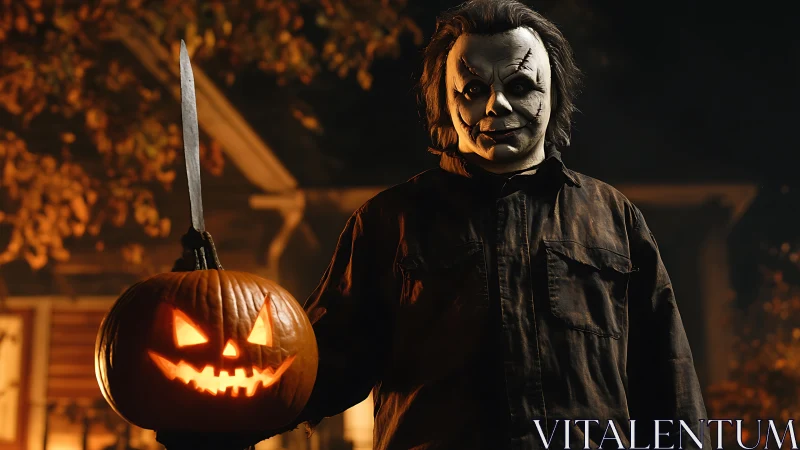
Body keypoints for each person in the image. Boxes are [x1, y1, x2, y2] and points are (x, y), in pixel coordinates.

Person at [158, 1, 711, 449]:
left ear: (555, 93)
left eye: (520, 86)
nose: (496, 105)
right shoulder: (389, 222)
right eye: (472, 89)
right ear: (444, 104)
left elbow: (669, 378)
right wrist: (211, 413)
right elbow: (309, 365)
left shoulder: (613, 219)